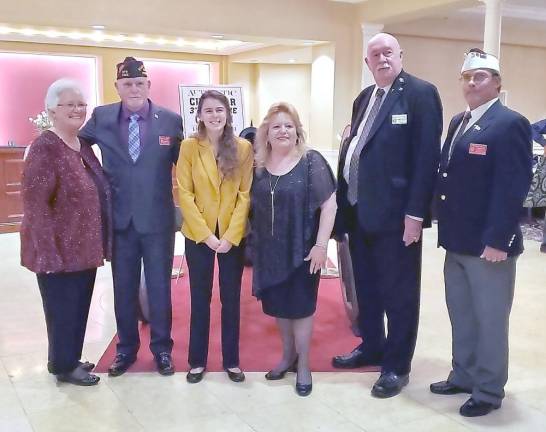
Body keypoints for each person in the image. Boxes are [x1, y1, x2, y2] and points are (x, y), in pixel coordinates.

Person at [332, 32, 443, 398]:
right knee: (368, 288)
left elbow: (426, 159)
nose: (382, 59)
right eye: (375, 54)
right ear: (367, 63)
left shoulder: (420, 94)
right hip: (360, 212)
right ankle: (372, 346)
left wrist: (416, 214)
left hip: (397, 218)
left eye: (388, 53)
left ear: (400, 56)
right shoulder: (364, 98)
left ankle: (396, 365)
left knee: (399, 294)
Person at [430, 49, 532, 417]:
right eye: (467, 78)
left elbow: (512, 186)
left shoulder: (509, 123)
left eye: (481, 77)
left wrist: (497, 239)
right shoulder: (460, 121)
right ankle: (464, 373)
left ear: (498, 82)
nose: (472, 83)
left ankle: (488, 389)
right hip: (457, 240)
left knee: (490, 320)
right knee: (462, 313)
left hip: (489, 246)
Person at [79, 57, 183, 376]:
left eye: (139, 83)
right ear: (117, 87)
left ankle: (162, 350)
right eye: (127, 84)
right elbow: (79, 145)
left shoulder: (171, 120)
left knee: (159, 288)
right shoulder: (102, 117)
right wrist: (93, 178)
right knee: (122, 288)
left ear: (148, 85)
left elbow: (188, 164)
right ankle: (125, 350)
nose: (134, 89)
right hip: (120, 222)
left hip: (158, 222)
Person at [20, 78, 112, 386]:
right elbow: (36, 206)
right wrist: (47, 252)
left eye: (81, 104)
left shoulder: (82, 144)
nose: (77, 109)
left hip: (84, 249)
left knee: (78, 307)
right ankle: (62, 366)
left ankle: (69, 357)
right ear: (51, 110)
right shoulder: (44, 147)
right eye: (69, 104)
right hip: (57, 251)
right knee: (61, 310)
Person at [251, 102, 337, 396]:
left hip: (302, 250)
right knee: (280, 308)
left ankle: (304, 365)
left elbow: (329, 204)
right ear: (267, 133)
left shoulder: (310, 161)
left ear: (297, 131)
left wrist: (321, 246)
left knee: (301, 309)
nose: (283, 131)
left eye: (289, 125)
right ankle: (287, 357)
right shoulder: (259, 166)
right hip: (269, 252)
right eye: (276, 126)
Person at [176, 90, 253, 384]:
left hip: (232, 236)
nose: (214, 115)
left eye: (219, 110)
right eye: (208, 111)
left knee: (231, 299)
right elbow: (184, 193)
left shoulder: (243, 148)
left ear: (228, 114)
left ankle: (231, 361)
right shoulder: (189, 147)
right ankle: (197, 361)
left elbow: (244, 195)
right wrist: (207, 235)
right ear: (199, 115)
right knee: (200, 297)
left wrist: (231, 236)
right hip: (199, 235)